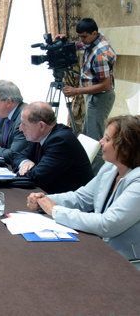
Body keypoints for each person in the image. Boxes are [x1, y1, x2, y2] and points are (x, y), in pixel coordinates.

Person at [27, 115, 140, 264]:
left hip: (126, 262)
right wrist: (45, 200)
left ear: (125, 148)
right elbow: (81, 198)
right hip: (99, 247)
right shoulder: (110, 168)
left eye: (107, 139)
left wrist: (54, 210)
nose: (101, 142)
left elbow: (107, 224)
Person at [60, 18, 116, 174]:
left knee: (94, 140)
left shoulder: (101, 53)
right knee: (86, 136)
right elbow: (79, 45)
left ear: (94, 33)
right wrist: (66, 42)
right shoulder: (92, 40)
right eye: (79, 37)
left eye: (83, 37)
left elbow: (105, 85)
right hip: (94, 95)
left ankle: (92, 177)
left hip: (101, 96)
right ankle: (83, 170)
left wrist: (76, 91)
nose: (81, 41)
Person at [12, 102, 94, 194]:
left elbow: (36, 177)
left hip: (70, 202)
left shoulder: (61, 141)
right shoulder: (40, 136)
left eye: (25, 124)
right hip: (49, 192)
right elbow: (17, 157)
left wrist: (22, 171)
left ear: (41, 126)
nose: (20, 128)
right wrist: (25, 162)